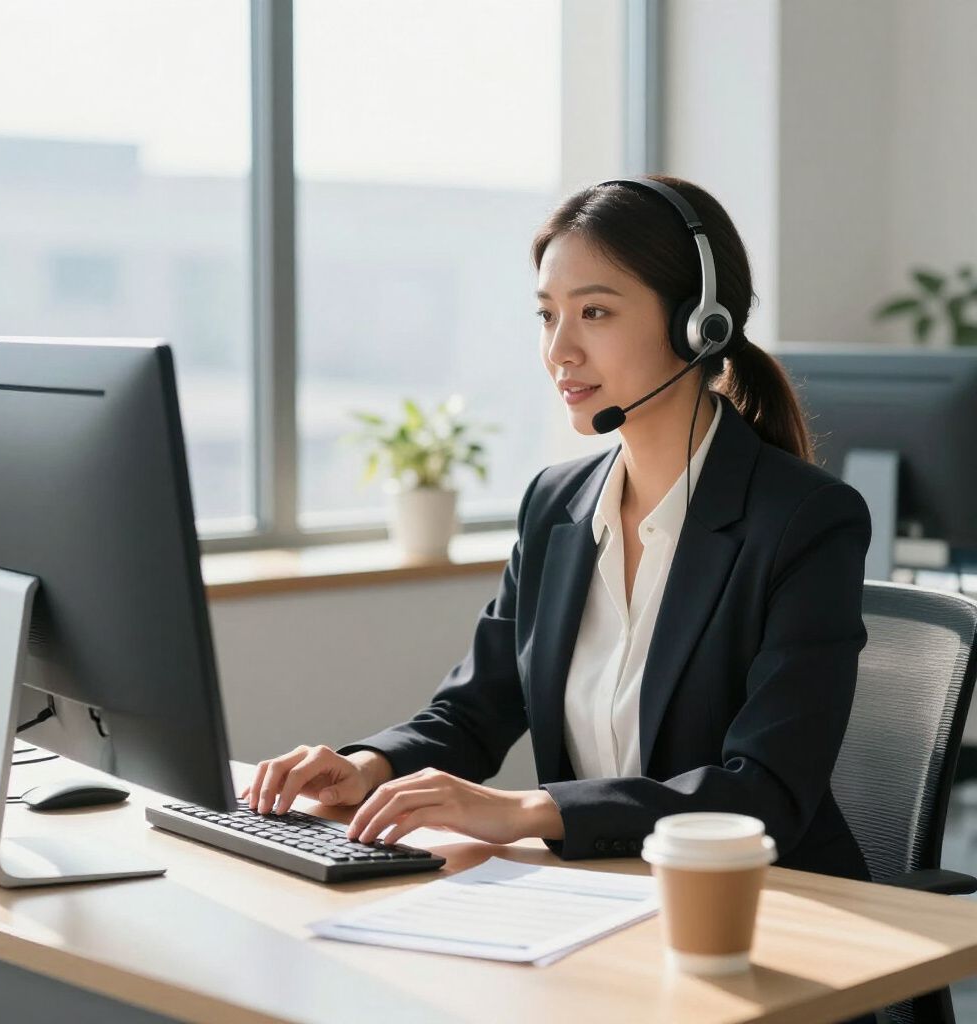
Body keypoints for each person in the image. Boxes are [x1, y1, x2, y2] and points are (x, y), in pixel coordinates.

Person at [242, 175, 872, 885]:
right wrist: (364, 767)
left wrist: (528, 811)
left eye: (595, 312)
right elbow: (476, 709)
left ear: (699, 325)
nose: (559, 351)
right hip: (603, 902)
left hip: (763, 910)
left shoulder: (803, 521)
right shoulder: (557, 504)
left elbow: (765, 793)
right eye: (547, 316)